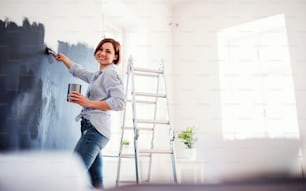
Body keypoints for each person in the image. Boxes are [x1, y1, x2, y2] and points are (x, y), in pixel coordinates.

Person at [54, 38, 125, 189]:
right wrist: (65, 59)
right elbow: (80, 71)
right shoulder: (98, 75)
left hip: (95, 132)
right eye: (101, 49)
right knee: (96, 181)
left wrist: (88, 103)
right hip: (93, 130)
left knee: (72, 175)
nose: (103, 53)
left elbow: (120, 103)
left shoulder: (110, 74)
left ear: (115, 57)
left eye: (108, 51)